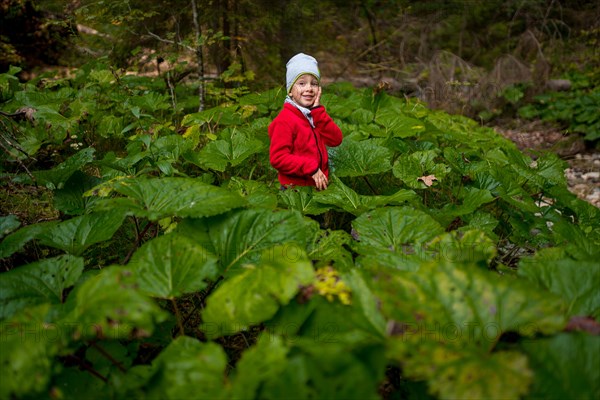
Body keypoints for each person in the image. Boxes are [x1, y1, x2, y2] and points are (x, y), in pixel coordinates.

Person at [269, 53, 343, 190]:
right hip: (294, 189)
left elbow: (336, 139)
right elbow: (278, 158)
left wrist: (318, 113)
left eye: (314, 84)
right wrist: (311, 168)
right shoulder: (285, 120)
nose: (309, 88)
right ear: (290, 90)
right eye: (302, 83)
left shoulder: (315, 116)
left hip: (318, 184)